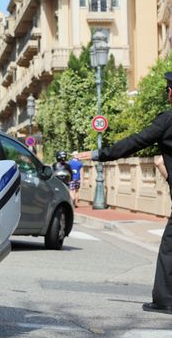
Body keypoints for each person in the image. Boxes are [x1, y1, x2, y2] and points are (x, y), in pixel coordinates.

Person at [79, 71, 172, 315]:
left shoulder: (167, 120)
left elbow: (135, 141)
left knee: (169, 248)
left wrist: (100, 154)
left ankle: (164, 300)